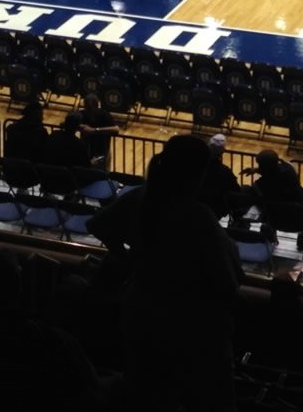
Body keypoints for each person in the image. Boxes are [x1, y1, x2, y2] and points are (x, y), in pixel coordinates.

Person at [88, 135, 243, 412]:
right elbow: (228, 283)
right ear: (199, 174)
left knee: (147, 394)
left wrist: (131, 261)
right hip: (189, 329)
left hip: (140, 313)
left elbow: (98, 225)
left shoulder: (141, 197)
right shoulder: (198, 217)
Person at [78, 93, 121, 169]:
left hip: (102, 150)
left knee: (103, 172)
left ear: (96, 106)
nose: (89, 109)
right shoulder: (81, 113)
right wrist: (80, 126)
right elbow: (65, 123)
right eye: (87, 107)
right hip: (85, 149)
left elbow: (116, 129)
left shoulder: (104, 115)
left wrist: (94, 130)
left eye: (91, 107)